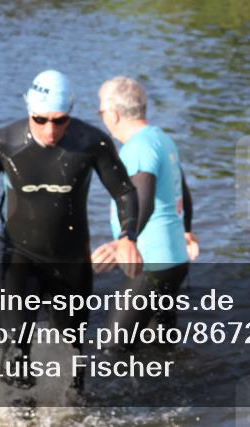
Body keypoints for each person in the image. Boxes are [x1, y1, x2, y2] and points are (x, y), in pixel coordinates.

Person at [0, 70, 143, 388]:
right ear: (29, 109)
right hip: (18, 257)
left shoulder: (91, 142)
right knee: (15, 349)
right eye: (40, 120)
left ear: (71, 113)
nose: (50, 130)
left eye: (60, 120)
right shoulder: (2, 142)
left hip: (70, 262)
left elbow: (125, 191)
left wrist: (127, 237)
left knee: (72, 357)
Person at [91, 77, 199, 342]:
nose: (103, 117)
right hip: (174, 259)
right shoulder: (161, 138)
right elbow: (183, 193)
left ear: (113, 114)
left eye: (101, 111)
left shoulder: (139, 147)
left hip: (152, 261)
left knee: (113, 347)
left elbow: (144, 199)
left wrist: (125, 241)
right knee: (160, 347)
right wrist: (186, 231)